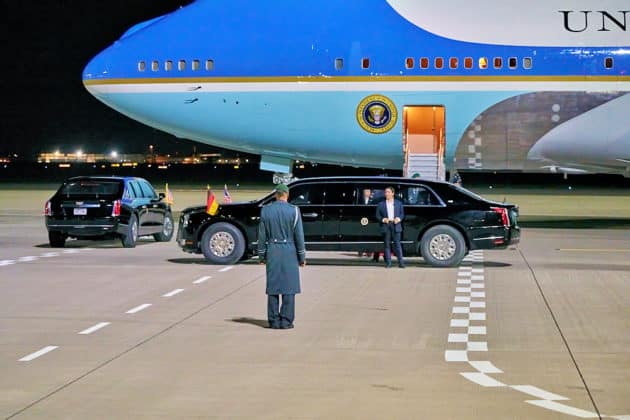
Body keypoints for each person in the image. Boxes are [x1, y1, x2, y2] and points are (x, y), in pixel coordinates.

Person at [257, 183, 306, 329]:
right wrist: (301, 257)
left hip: (273, 250)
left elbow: (262, 236)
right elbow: (299, 236)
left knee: (273, 287)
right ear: (287, 194)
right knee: (289, 287)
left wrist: (262, 256)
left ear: (275, 195)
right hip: (289, 251)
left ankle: (273, 320)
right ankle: (286, 321)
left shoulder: (266, 211)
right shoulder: (294, 211)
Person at [375, 186, 406, 268]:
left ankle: (401, 263)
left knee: (397, 245)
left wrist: (398, 219)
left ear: (393, 193)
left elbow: (402, 214)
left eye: (388, 192)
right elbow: (377, 215)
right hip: (386, 225)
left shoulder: (399, 203)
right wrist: (383, 219)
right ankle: (388, 263)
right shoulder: (381, 204)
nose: (386, 194)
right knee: (387, 245)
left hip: (396, 225)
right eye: (385, 192)